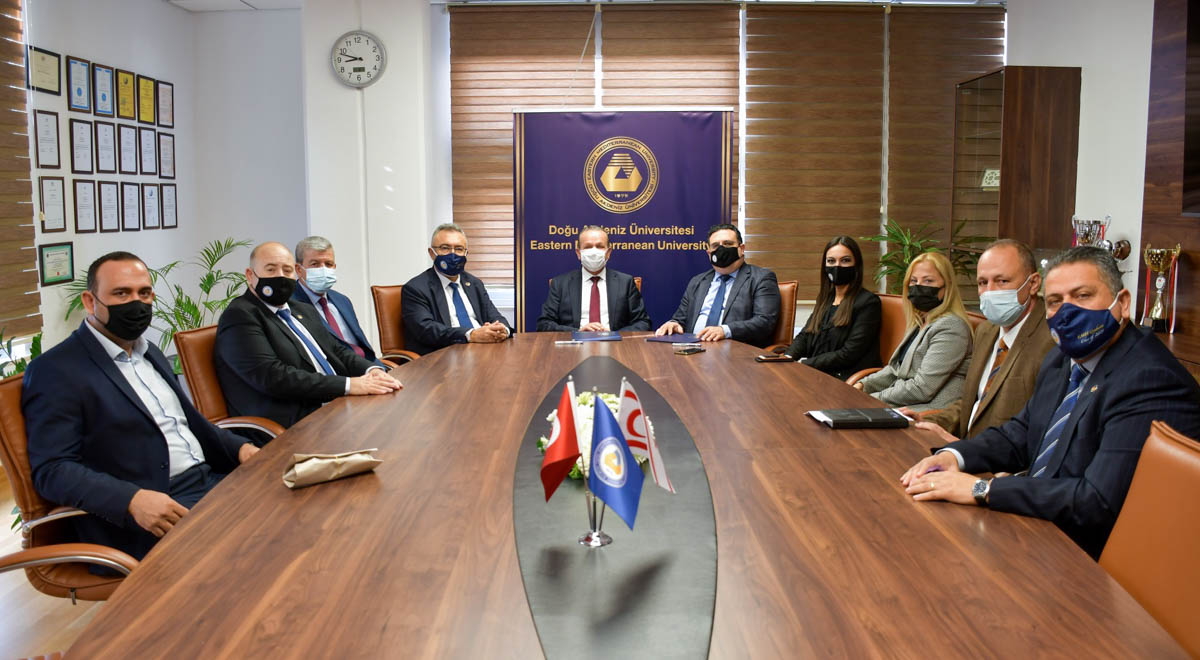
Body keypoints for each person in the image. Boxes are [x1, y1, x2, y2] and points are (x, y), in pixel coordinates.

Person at [900, 247, 1200, 559]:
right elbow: (1019, 434)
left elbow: (1095, 502)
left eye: (1082, 295)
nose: (1067, 311)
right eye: (1055, 301)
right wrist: (955, 457)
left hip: (1089, 556)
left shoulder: (1149, 379)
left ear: (1122, 303)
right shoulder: (1062, 358)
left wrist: (981, 489)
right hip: (1038, 527)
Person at [23, 252, 259, 562]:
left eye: (144, 293)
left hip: (209, 481)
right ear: (90, 302)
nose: (136, 303)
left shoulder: (150, 353)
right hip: (155, 508)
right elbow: (52, 469)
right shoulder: (56, 369)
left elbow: (190, 424)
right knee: (253, 551)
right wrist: (131, 500)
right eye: (121, 294)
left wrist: (243, 449)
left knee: (294, 514)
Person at [214, 242, 401, 433]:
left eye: (287, 270)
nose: (280, 276)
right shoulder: (240, 315)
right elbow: (273, 377)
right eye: (271, 269)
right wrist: (348, 385)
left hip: (335, 404)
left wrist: (371, 370)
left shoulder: (302, 309)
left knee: (397, 419)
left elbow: (336, 350)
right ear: (250, 275)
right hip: (294, 421)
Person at [909, 239, 1056, 438]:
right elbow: (975, 402)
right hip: (962, 446)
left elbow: (1037, 428)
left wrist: (965, 450)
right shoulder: (986, 330)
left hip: (997, 454)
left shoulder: (1052, 339)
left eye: (1002, 281)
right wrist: (926, 421)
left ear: (1033, 283)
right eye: (983, 283)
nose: (990, 292)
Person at [856, 251, 971, 411]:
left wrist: (872, 398)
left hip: (928, 413)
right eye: (914, 281)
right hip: (903, 404)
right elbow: (895, 370)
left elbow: (922, 389)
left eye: (928, 281)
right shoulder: (921, 321)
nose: (919, 286)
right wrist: (863, 385)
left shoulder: (951, 327)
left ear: (947, 286)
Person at [654, 223, 780, 348]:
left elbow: (765, 322)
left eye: (728, 244)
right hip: (692, 349)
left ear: (741, 249)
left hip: (736, 352)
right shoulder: (698, 281)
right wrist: (673, 323)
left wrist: (725, 331)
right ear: (709, 253)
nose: (721, 249)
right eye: (715, 246)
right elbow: (680, 318)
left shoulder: (761, 278)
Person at [402, 223, 513, 355]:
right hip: (443, 355)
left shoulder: (474, 283)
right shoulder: (416, 288)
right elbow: (426, 330)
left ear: (466, 253)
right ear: (432, 253)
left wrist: (502, 329)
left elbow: (494, 316)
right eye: (445, 248)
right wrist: (471, 334)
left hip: (482, 352)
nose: (453, 254)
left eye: (459, 249)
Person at [784, 236, 882, 379]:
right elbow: (806, 335)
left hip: (845, 378)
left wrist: (803, 364)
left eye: (845, 260)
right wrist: (787, 357)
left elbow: (849, 354)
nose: (837, 267)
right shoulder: (826, 299)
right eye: (831, 261)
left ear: (856, 265)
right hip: (816, 373)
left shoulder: (868, 302)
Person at [291, 235, 386, 368]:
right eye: (315, 264)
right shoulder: (290, 305)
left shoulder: (342, 300)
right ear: (299, 269)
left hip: (368, 368)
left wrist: (379, 369)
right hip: (338, 374)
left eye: (328, 264)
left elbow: (362, 347)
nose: (323, 269)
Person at [536, 225, 651, 333]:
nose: (594, 251)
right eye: (588, 247)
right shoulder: (560, 283)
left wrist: (613, 334)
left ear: (608, 253)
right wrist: (578, 332)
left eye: (600, 246)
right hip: (575, 344)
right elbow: (544, 324)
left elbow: (643, 323)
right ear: (578, 253)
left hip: (615, 344)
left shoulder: (625, 282)